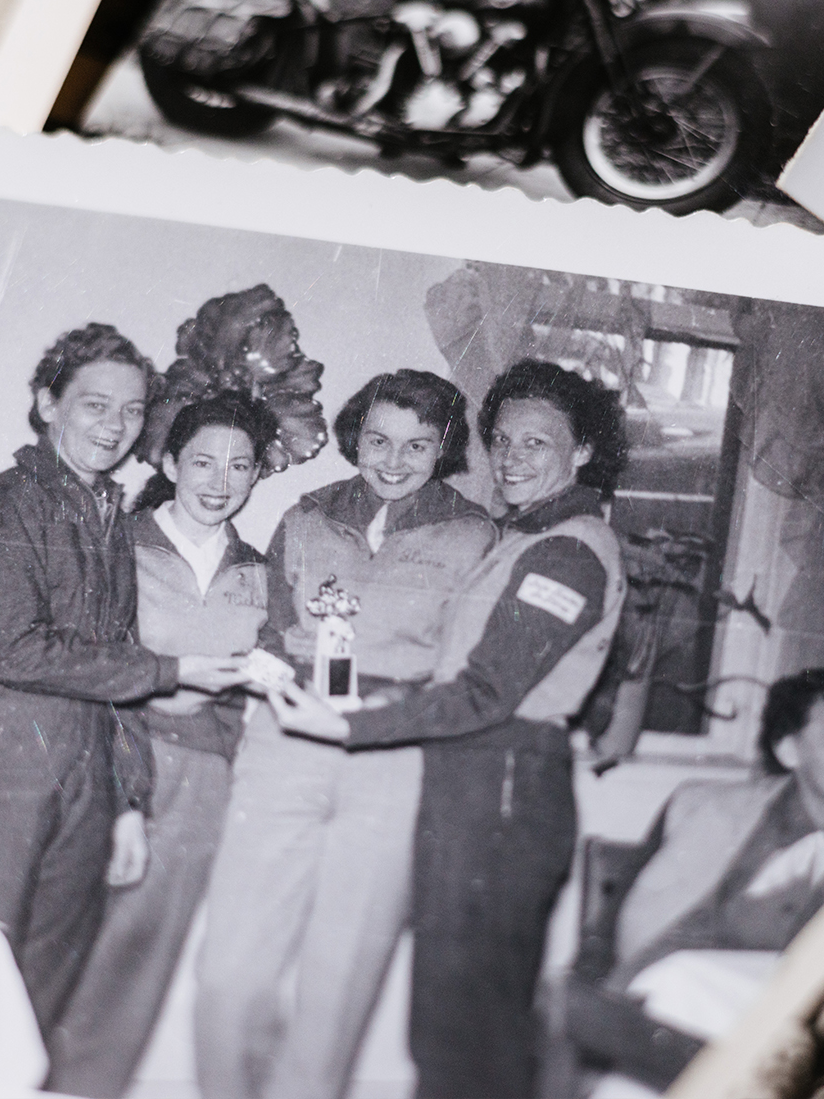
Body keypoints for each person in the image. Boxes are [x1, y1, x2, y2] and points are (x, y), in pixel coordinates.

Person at [271, 358, 631, 1099]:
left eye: (536, 442)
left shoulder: (567, 551)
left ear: (584, 450)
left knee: (471, 1031)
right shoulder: (523, 537)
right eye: (501, 439)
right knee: (446, 1025)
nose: (510, 456)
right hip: (472, 785)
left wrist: (349, 721)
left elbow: (485, 691)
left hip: (501, 788)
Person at [0, 325, 253, 1044]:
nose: (115, 426)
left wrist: (126, 801)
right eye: (94, 405)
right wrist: (171, 671)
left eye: (133, 410)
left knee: (32, 1007)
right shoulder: (6, 503)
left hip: (82, 779)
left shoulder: (110, 515)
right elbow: (15, 650)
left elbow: (109, 663)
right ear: (48, 403)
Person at [194, 369, 497, 1099]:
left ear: (444, 447)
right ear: (356, 434)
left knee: (339, 983)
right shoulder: (306, 514)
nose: (394, 461)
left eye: (418, 445)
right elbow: (266, 623)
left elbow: (467, 665)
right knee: (230, 974)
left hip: (392, 758)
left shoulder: (475, 533)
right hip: (289, 739)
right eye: (379, 440)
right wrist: (279, 683)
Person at [46, 391, 280, 1098]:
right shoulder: (118, 541)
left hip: (201, 778)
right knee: (62, 948)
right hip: (106, 755)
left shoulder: (260, 572)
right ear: (171, 460)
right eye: (203, 460)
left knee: (136, 965)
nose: (219, 480)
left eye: (240, 466)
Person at [558, 668, 824, 1096]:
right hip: (678, 1014)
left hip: (806, 1034)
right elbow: (616, 917)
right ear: (788, 750)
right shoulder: (704, 810)